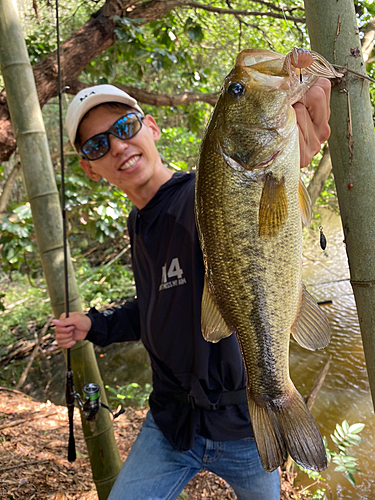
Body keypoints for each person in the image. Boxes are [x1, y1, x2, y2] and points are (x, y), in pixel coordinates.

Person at [53, 77, 331, 500]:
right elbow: (155, 306)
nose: (117, 146)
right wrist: (94, 325)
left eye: (124, 127)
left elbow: (256, 193)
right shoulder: (139, 222)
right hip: (170, 426)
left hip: (244, 424)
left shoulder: (200, 195)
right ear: (91, 169)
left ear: (151, 127)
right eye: (97, 145)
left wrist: (292, 142)